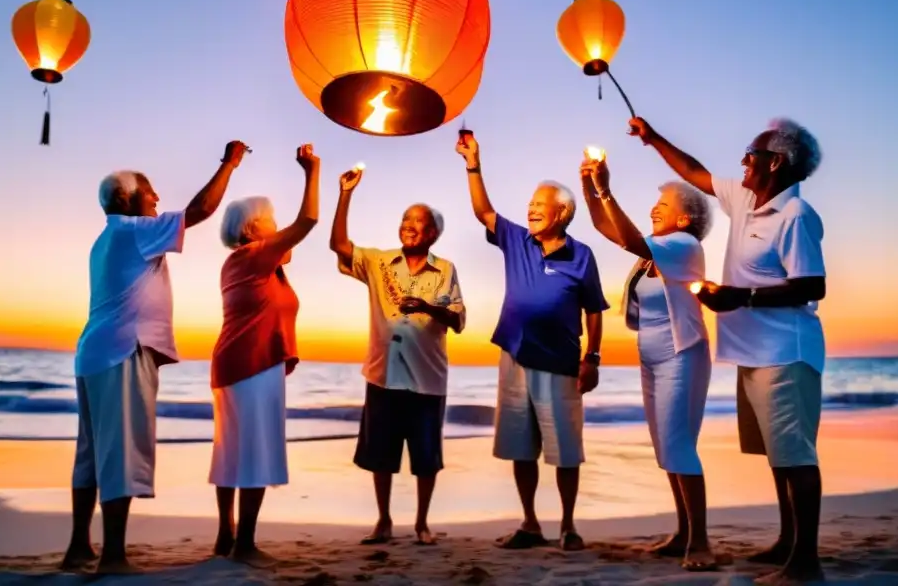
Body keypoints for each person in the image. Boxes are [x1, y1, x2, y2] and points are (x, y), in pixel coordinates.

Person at [628, 116, 827, 584]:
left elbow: (812, 284)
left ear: (775, 162)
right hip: (751, 351)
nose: (743, 160)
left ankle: (805, 562)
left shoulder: (795, 216)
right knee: (777, 455)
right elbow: (695, 171)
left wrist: (743, 297)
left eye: (751, 153)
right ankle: (785, 542)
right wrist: (654, 137)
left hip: (785, 352)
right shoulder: (746, 199)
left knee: (796, 456)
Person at [61, 140, 250, 574]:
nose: (157, 198)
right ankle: (112, 557)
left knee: (91, 453)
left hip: (94, 353)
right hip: (123, 351)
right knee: (122, 452)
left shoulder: (107, 238)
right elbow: (200, 210)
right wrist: (230, 163)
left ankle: (78, 549)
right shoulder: (133, 230)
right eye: (150, 191)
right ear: (128, 199)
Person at [456, 134, 607, 552]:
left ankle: (569, 526)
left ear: (562, 213)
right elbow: (483, 211)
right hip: (514, 356)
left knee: (565, 450)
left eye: (540, 206)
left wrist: (592, 357)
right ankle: (530, 523)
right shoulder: (517, 239)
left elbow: (594, 309)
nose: (532, 211)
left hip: (560, 363)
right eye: (530, 206)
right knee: (521, 445)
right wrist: (473, 163)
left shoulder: (582, 256)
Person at [580, 153, 717, 571]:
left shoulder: (684, 246)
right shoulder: (651, 255)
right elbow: (608, 228)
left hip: (682, 354)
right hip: (651, 358)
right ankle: (682, 534)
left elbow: (628, 237)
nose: (655, 208)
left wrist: (606, 188)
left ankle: (702, 542)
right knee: (665, 449)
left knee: (680, 445)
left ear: (684, 220)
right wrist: (588, 182)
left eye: (666, 204)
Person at [329, 164, 465, 546]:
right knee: (380, 455)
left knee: (426, 458)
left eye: (417, 221)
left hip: (426, 378)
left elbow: (457, 320)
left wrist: (427, 306)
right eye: (405, 219)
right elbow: (339, 245)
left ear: (433, 233)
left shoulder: (445, 270)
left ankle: (422, 523)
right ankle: (384, 520)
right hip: (383, 374)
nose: (408, 225)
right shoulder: (377, 261)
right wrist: (345, 194)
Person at [209, 144, 320, 564]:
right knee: (252, 450)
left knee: (231, 451)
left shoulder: (246, 261)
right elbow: (308, 220)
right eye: (271, 223)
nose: (278, 229)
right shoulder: (256, 257)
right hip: (252, 365)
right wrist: (313, 171)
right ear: (253, 230)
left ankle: (226, 537)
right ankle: (245, 544)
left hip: (234, 364)